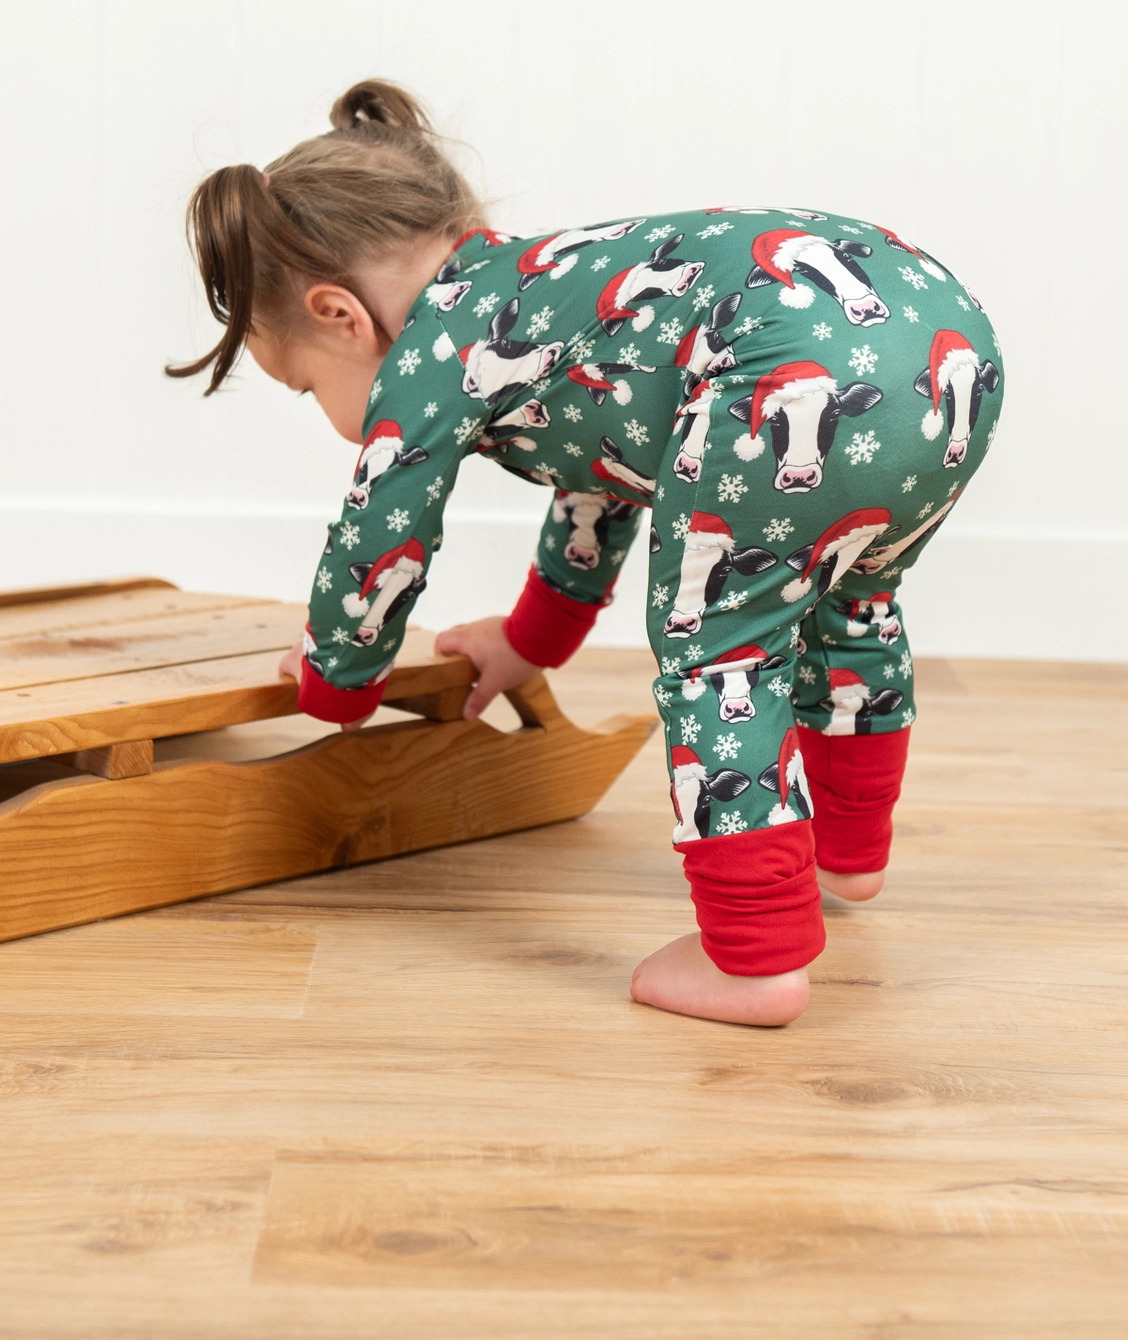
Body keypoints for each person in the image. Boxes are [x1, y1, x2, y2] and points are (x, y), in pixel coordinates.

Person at [168, 79, 1004, 1027]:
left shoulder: (435, 346)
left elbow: (381, 526)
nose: (326, 412)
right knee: (851, 596)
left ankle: (754, 958)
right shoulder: (547, 291)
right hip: (943, 342)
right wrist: (533, 638)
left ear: (339, 317)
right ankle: (850, 854)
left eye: (304, 386)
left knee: (721, 649)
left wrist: (337, 678)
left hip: (791, 357)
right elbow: (611, 462)